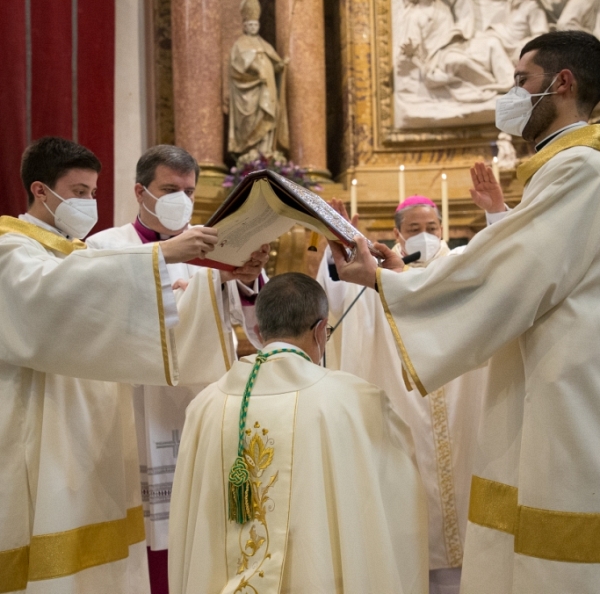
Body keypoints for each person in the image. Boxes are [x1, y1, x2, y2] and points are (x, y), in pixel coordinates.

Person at [331, 31, 600, 593]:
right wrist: (401, 278)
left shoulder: (583, 168)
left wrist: (385, 282)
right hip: (550, 366)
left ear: (563, 83)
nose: (512, 93)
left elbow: (509, 272)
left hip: (569, 377)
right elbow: (517, 261)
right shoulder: (570, 167)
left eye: (522, 80)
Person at [0, 136, 232, 594]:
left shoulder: (76, 250)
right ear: (41, 190)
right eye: (79, 191)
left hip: (93, 431)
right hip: (42, 427)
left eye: (92, 192)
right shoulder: (12, 249)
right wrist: (161, 256)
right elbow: (49, 298)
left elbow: (121, 315)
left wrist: (214, 278)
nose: (89, 202)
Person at [168, 273, 429, 594]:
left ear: (259, 331)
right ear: (321, 331)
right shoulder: (356, 400)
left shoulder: (205, 406)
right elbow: (396, 504)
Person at [87, 144, 268, 594]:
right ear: (140, 192)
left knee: (205, 524)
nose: (182, 200)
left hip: (201, 401)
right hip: (138, 407)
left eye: (188, 191)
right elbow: (107, 319)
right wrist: (209, 278)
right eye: (170, 189)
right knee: (150, 533)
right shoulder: (105, 245)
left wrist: (243, 275)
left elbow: (246, 321)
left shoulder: (209, 244)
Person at [318, 196, 486, 594]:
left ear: (443, 229)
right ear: (397, 233)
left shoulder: (463, 267)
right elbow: (335, 303)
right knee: (404, 508)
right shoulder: (373, 274)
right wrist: (335, 248)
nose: (425, 236)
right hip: (399, 406)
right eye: (414, 229)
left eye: (432, 227)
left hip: (463, 410)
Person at [228, 0, 288, 157]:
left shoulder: (264, 44)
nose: (253, 27)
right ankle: (250, 150)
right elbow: (237, 67)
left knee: (268, 112)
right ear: (245, 27)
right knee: (251, 118)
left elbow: (275, 63)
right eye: (250, 25)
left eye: (256, 24)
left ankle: (266, 148)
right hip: (250, 90)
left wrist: (280, 65)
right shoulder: (240, 44)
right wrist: (255, 69)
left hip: (267, 87)